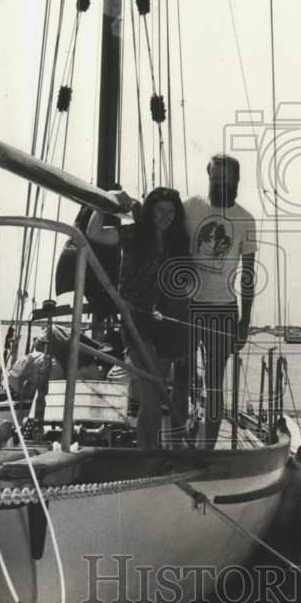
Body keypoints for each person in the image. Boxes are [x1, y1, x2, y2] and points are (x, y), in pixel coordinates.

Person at [87, 187, 190, 451]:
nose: (165, 216)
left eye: (170, 211)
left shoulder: (178, 242)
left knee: (158, 390)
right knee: (151, 390)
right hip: (137, 321)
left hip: (168, 323)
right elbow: (94, 233)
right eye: (159, 210)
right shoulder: (133, 235)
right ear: (150, 211)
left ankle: (154, 449)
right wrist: (103, 204)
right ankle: (149, 452)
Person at [180, 153, 257, 448]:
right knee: (181, 375)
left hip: (224, 310)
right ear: (208, 176)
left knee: (214, 381)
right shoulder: (191, 207)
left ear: (237, 181)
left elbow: (248, 275)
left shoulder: (245, 220)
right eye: (216, 179)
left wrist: (245, 321)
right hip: (188, 306)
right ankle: (178, 439)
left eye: (228, 180)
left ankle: (208, 448)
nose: (222, 186)